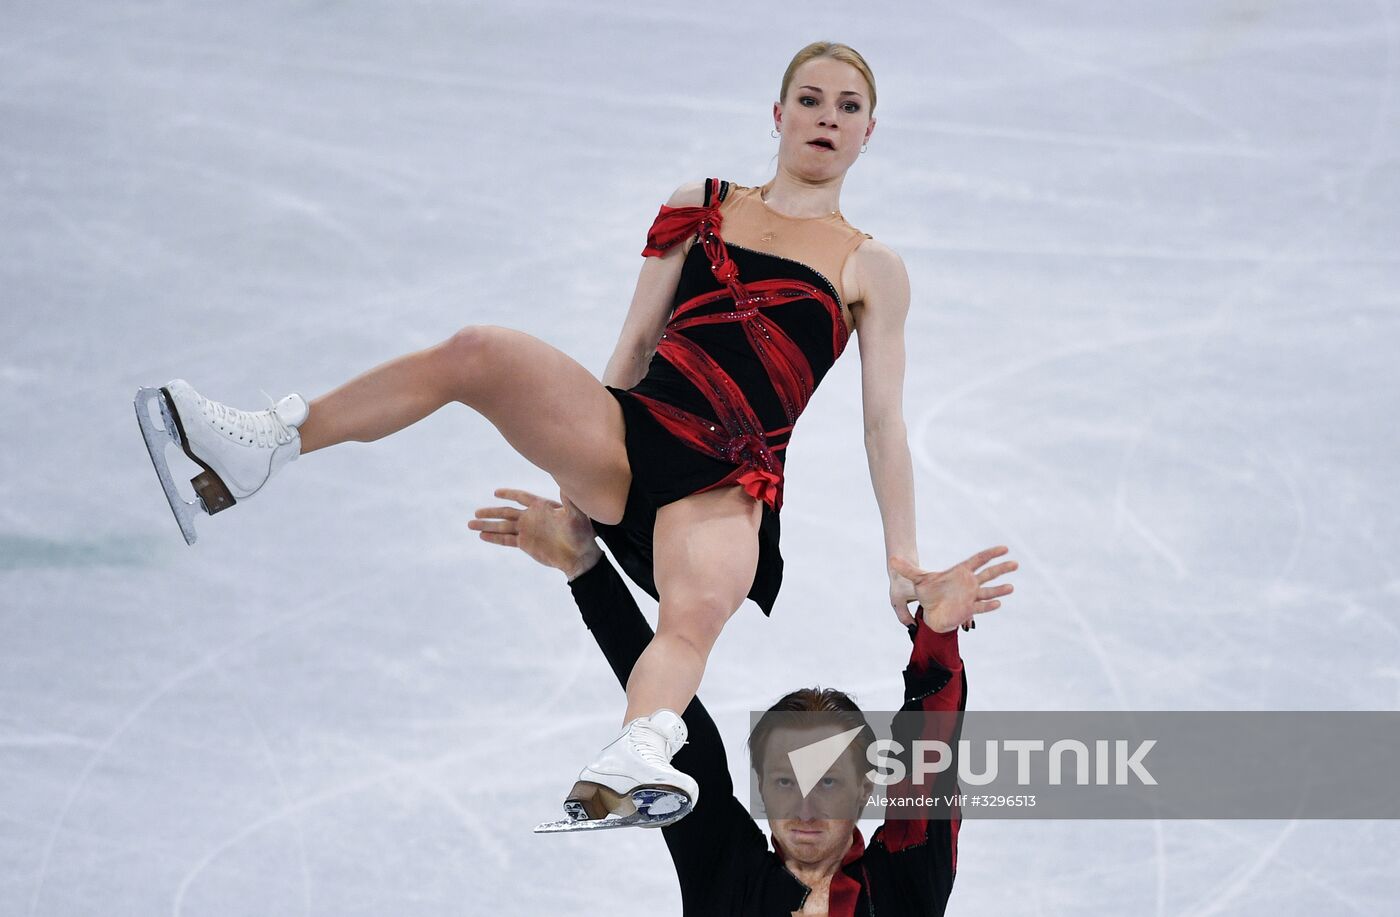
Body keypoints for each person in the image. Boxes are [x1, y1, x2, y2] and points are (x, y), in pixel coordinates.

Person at [136, 41, 922, 827]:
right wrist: (578, 479)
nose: (827, 117)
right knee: (480, 352)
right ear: (777, 114)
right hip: (634, 433)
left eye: (848, 107)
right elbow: (634, 346)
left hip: (726, 484)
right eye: (811, 99)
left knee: (692, 616)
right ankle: (263, 446)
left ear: (869, 131)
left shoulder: (869, 266)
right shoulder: (704, 202)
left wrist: (901, 560)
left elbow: (882, 425)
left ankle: (637, 751)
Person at [469, 487, 1016, 915]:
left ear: (866, 786)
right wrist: (584, 567)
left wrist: (938, 635)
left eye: (827, 782)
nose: (804, 807)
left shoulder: (901, 885)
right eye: (785, 781)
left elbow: (928, 767)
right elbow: (679, 727)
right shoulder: (724, 870)